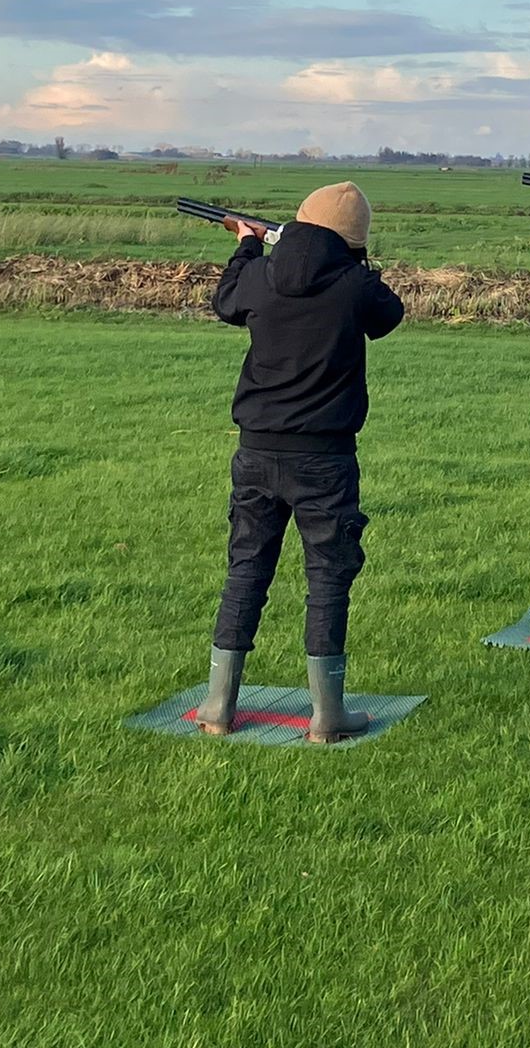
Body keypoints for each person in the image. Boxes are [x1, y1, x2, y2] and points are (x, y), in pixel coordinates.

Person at [195, 182, 404, 740]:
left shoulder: (260, 275)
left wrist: (247, 246)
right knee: (328, 579)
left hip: (256, 451)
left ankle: (218, 708)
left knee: (245, 571)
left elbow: (226, 303)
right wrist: (359, 264)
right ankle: (327, 716)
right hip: (325, 459)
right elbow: (389, 315)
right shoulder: (355, 284)